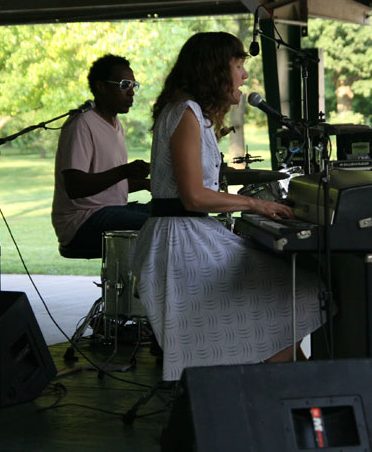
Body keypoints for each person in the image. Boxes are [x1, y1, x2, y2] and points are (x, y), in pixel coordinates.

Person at [130, 32, 324, 381]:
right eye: (238, 66)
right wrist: (257, 206)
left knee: (290, 296)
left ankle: (293, 384)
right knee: (298, 290)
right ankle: (296, 387)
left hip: (187, 234)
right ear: (214, 71)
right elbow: (194, 197)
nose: (244, 76)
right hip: (178, 243)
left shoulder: (193, 114)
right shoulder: (186, 112)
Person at [51, 54, 151, 258]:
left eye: (134, 85)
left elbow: (109, 187)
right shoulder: (82, 123)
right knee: (160, 226)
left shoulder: (116, 125)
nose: (131, 92)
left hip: (109, 210)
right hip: (80, 222)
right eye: (124, 85)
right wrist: (125, 170)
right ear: (101, 87)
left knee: (172, 214)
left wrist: (147, 183)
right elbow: (75, 187)